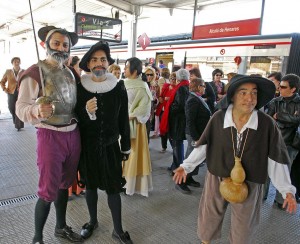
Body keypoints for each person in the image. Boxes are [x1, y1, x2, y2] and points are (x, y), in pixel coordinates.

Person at [173, 74, 297, 244]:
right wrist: (186, 166)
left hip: (251, 181)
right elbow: (204, 145)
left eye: (254, 93)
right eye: (243, 93)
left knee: (244, 229)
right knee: (209, 219)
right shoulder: (219, 118)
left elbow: (276, 159)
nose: (250, 98)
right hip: (217, 174)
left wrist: (286, 189)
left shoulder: (266, 124)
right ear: (232, 96)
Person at [16, 26, 83, 244]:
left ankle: (60, 227)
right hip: (50, 135)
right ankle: (37, 238)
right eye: (56, 43)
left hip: (73, 134)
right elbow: (21, 107)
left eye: (65, 45)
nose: (61, 48)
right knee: (47, 190)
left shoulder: (71, 72)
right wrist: (36, 110)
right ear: (46, 45)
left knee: (64, 184)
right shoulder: (35, 72)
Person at [76, 42, 132, 243]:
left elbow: (123, 119)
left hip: (110, 147)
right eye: (94, 59)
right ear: (88, 64)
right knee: (90, 187)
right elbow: (74, 118)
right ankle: (92, 221)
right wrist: (86, 111)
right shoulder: (80, 87)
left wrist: (126, 146)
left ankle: (118, 229)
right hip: (88, 148)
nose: (99, 63)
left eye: (103, 59)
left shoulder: (118, 87)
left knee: (113, 188)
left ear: (108, 63)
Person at [265, 74, 300, 208]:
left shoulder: (298, 102)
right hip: (273, 140)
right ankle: (262, 196)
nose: (280, 89)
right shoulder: (275, 101)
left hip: (291, 144)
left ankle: (281, 201)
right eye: (279, 86)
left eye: (284, 87)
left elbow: (297, 120)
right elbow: (269, 119)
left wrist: (279, 116)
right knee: (267, 170)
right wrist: (290, 118)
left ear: (293, 89)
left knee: (286, 172)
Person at [123, 57, 153, 197]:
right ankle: (121, 181)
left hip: (135, 124)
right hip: (122, 123)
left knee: (134, 153)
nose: (124, 69)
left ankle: (132, 185)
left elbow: (145, 107)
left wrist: (130, 115)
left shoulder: (142, 85)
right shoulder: (121, 83)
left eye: (126, 67)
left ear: (134, 70)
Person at [161, 68, 190, 193]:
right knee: (176, 144)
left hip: (178, 122)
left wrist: (170, 107)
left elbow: (179, 105)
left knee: (177, 145)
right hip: (179, 121)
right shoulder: (185, 86)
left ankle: (178, 169)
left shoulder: (181, 88)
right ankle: (174, 165)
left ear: (178, 78)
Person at [184, 78, 211, 189]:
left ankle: (189, 178)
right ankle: (181, 182)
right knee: (191, 158)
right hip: (194, 134)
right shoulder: (193, 100)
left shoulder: (197, 98)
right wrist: (196, 138)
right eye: (203, 86)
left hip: (199, 133)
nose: (205, 88)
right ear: (198, 87)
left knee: (195, 158)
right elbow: (190, 121)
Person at [1, 57, 25, 130]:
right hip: (11, 92)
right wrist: (4, 89)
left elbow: (27, 81)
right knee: (11, 108)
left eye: (18, 61)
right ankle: (16, 121)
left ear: (20, 62)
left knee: (19, 108)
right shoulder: (8, 71)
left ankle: (19, 125)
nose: (17, 63)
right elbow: (2, 82)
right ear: (12, 63)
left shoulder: (24, 71)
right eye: (15, 62)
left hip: (21, 92)